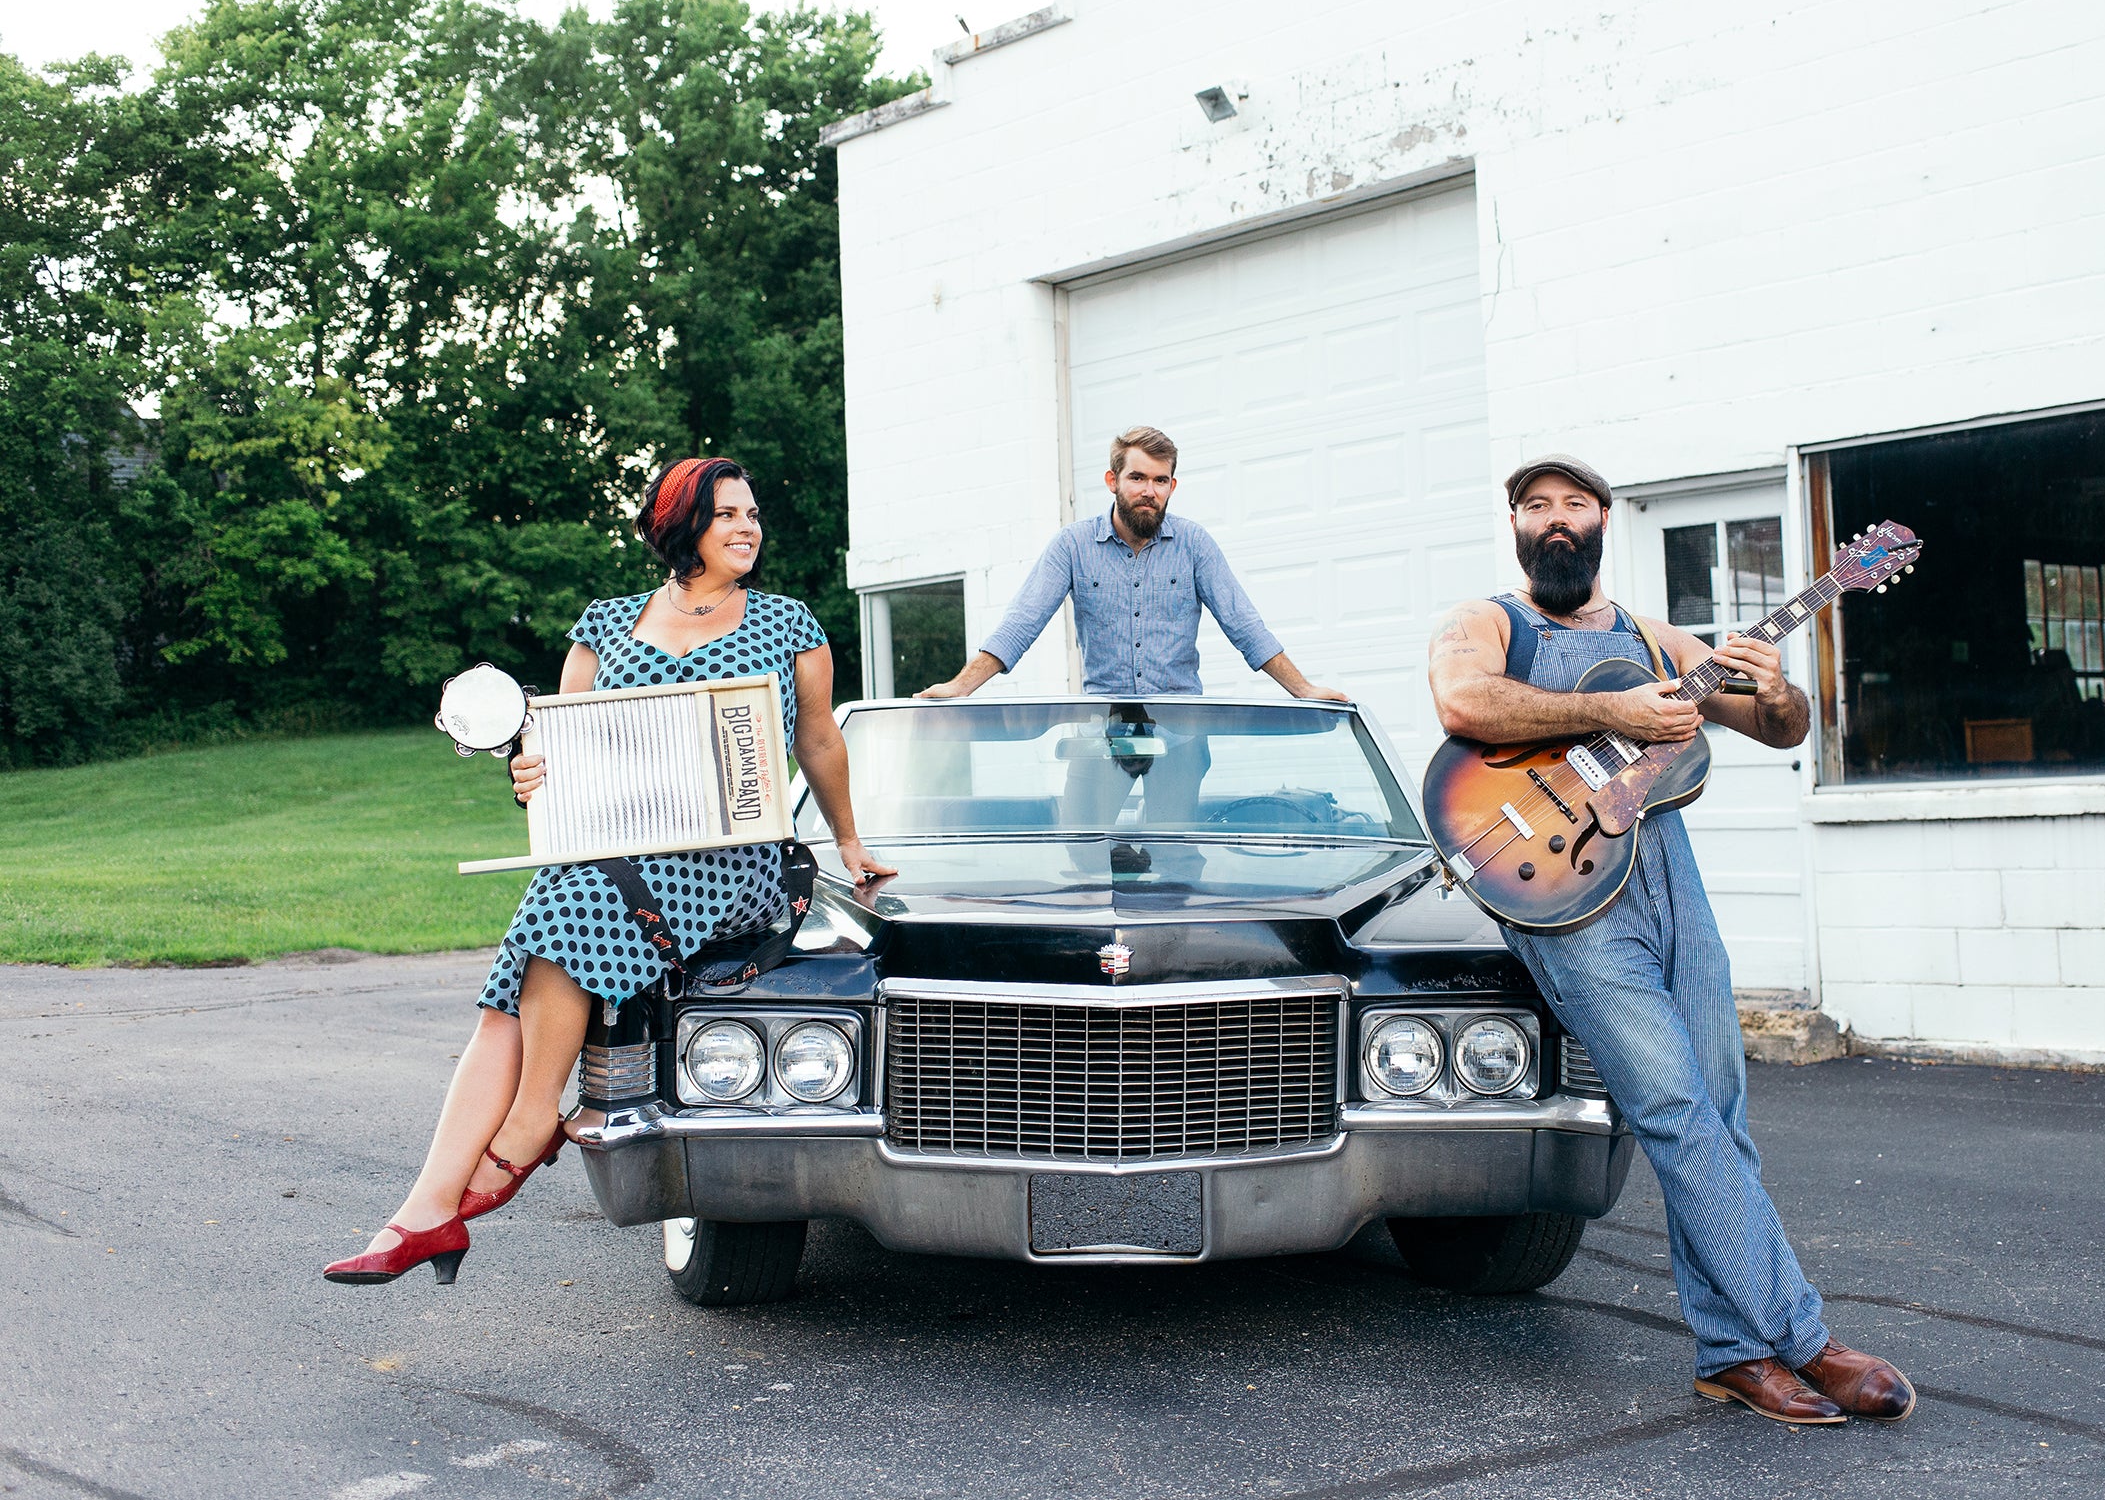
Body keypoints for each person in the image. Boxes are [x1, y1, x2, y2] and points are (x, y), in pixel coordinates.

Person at [1426, 454, 1914, 1427]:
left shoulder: (1656, 637)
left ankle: (1732, 1353)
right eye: (1535, 507)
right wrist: (1612, 709)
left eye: (1572, 504)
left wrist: (1773, 687)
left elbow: (1779, 731)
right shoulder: (1487, 621)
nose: (1554, 520)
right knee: (1673, 1113)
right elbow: (1463, 703)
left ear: (1601, 520)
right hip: (1563, 894)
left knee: (1721, 1116)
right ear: (1516, 526)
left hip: (1665, 874)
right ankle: (1807, 1342)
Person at [324, 458, 894, 1286]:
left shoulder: (787, 622)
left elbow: (818, 740)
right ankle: (424, 1211)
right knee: (512, 988)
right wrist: (526, 777)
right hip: (614, 852)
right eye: (729, 513)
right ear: (683, 523)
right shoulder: (604, 625)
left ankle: (524, 1128)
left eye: (753, 514)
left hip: (729, 859)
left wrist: (848, 840)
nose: (748, 527)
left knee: (567, 913)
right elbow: (560, 758)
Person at [918, 427, 1346, 841]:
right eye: (1137, 477)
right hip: (1102, 734)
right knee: (1082, 848)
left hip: (1180, 736)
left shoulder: (1195, 544)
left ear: (1172, 486)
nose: (1149, 490)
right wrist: (960, 688)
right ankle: (1124, 860)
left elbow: (1244, 624)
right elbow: (1021, 623)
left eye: (1160, 480)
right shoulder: (1073, 546)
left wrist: (1302, 688)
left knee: (1175, 859)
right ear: (1113, 481)